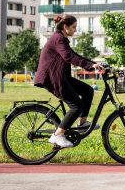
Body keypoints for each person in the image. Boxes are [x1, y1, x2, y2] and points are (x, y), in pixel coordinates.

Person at [33, 14, 104, 148]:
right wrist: (90, 66)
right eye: (74, 27)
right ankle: (57, 135)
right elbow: (68, 56)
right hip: (53, 78)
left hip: (61, 76)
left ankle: (82, 123)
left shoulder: (62, 39)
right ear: (65, 27)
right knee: (76, 106)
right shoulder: (58, 38)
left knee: (87, 90)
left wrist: (94, 63)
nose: (75, 30)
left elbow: (74, 55)